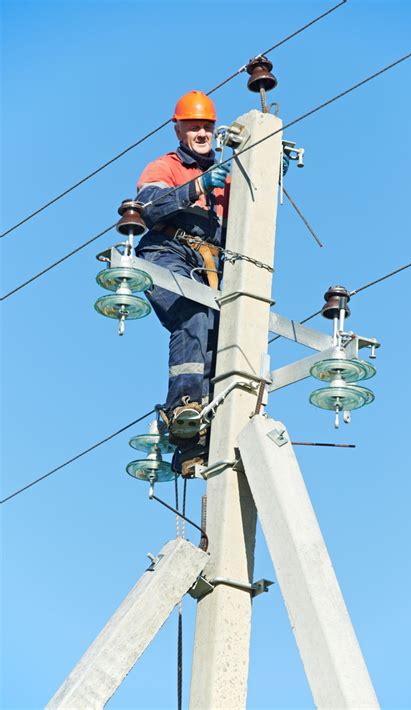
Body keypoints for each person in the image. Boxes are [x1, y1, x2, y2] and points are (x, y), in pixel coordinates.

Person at [134, 91, 231, 473]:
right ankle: (184, 406)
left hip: (210, 263)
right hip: (165, 252)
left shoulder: (229, 179)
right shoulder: (164, 167)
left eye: (207, 126)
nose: (202, 133)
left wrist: (264, 174)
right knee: (191, 315)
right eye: (194, 127)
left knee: (223, 338)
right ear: (179, 129)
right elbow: (152, 210)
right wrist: (200, 186)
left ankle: (198, 436)